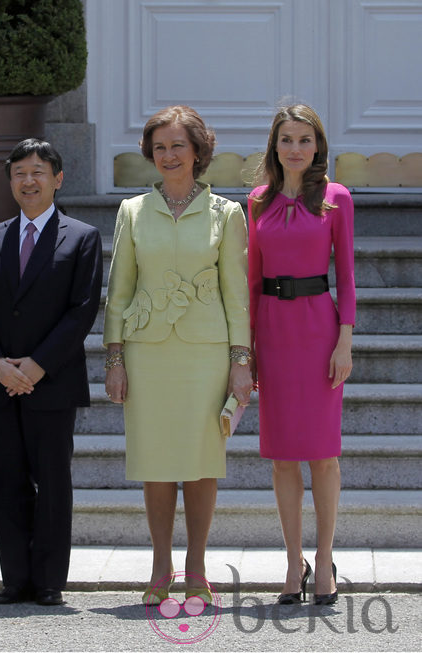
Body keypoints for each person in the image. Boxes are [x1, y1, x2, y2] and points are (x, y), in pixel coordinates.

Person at [103, 105, 251, 606]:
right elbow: (118, 290)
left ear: (198, 152)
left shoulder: (227, 214)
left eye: (178, 146)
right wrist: (114, 358)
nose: (168, 155)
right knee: (156, 462)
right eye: (160, 147)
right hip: (147, 355)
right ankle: (161, 564)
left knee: (201, 463)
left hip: (206, 355)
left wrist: (241, 361)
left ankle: (197, 568)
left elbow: (237, 294)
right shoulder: (131, 212)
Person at [0, 139, 103, 606]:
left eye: (38, 172)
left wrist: (38, 365)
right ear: (10, 181)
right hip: (0, 379)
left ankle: (48, 580)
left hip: (53, 380)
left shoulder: (81, 237)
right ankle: (15, 578)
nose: (29, 180)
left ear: (58, 179)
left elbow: (82, 310)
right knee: (6, 480)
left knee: (52, 479)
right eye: (20, 172)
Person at [248, 104, 354, 606]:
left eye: (305, 139)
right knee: (282, 458)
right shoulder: (255, 202)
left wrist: (345, 342)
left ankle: (326, 556)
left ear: (318, 146)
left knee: (323, 455)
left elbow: (348, 278)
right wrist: (244, 349)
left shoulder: (337, 199)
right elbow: (250, 281)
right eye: (286, 139)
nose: (295, 149)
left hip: (318, 331)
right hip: (271, 331)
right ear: (275, 145)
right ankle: (294, 562)